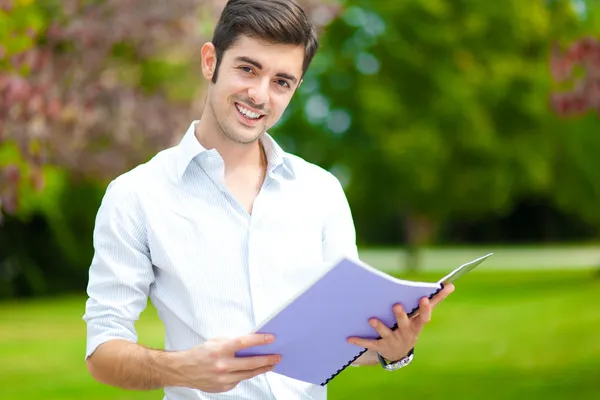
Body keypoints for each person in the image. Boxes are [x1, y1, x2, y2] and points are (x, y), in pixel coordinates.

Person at [82, 0, 455, 399]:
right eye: (247, 69)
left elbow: (342, 337)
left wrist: (392, 349)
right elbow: (103, 350)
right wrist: (183, 368)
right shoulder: (136, 196)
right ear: (210, 62)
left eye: (282, 81)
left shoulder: (321, 190)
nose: (259, 95)